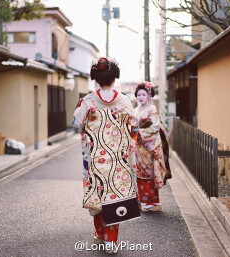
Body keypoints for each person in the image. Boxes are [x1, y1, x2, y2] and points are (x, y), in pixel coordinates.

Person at [72, 57, 140, 254]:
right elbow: (134, 125)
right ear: (114, 78)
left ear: (95, 79)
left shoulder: (87, 101)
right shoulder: (124, 101)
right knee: (115, 196)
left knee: (97, 194)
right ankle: (111, 241)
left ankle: (99, 233)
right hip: (118, 159)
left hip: (94, 158)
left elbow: (77, 124)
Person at [134, 82, 172, 212]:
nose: (140, 97)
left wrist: (140, 132)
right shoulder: (136, 110)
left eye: (143, 94)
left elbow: (155, 127)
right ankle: (141, 199)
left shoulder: (152, 109)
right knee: (138, 172)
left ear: (149, 96)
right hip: (138, 147)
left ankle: (153, 201)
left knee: (149, 172)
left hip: (148, 146)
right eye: (138, 94)